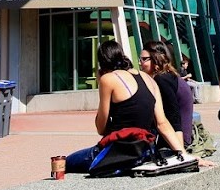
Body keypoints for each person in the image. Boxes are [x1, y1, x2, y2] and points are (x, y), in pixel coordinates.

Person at [66, 40, 187, 172]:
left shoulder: (108, 79)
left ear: (102, 62)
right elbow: (162, 123)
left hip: (119, 151)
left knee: (66, 162)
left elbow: (101, 128)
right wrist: (183, 154)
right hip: (145, 151)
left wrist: (100, 81)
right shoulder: (149, 79)